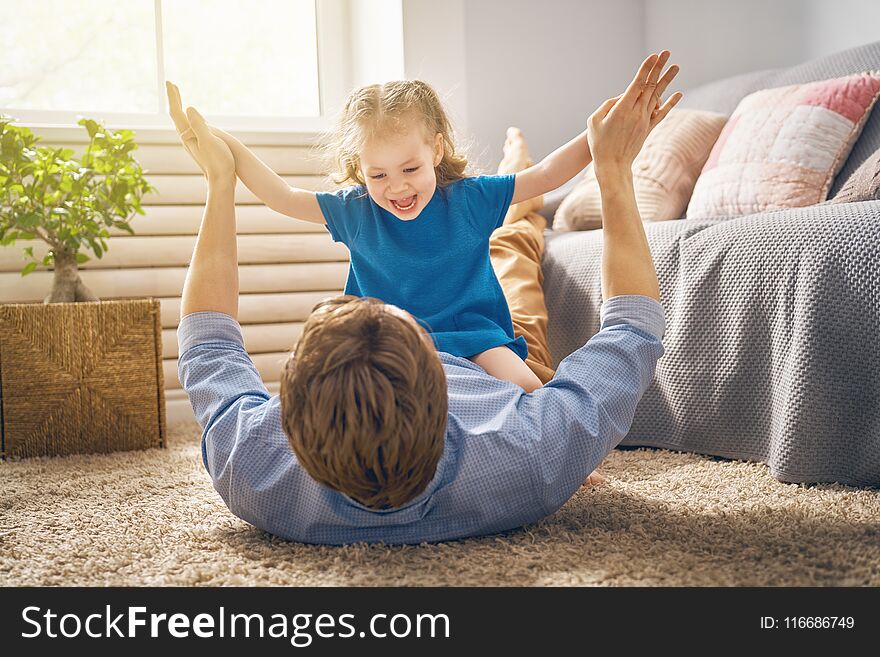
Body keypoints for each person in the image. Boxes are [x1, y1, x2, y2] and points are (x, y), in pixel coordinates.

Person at [167, 51, 681, 545]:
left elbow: (209, 351)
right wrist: (611, 160)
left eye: (409, 169)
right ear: (360, 169)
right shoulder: (534, 456)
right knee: (518, 260)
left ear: (436, 149)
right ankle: (519, 202)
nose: (397, 187)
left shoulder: (254, 467)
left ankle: (515, 180)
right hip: (434, 333)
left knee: (518, 245)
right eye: (379, 175)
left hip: (471, 327)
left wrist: (222, 175)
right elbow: (630, 335)